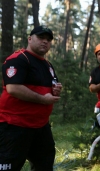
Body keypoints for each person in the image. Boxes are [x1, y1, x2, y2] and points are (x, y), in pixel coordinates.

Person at [0, 25, 63, 171]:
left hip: (40, 126)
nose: (45, 42)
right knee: (9, 166)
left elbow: (50, 89)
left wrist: (56, 90)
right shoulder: (18, 59)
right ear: (30, 39)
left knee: (44, 165)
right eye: (41, 38)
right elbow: (13, 88)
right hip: (14, 126)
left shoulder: (48, 65)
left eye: (48, 40)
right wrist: (43, 99)